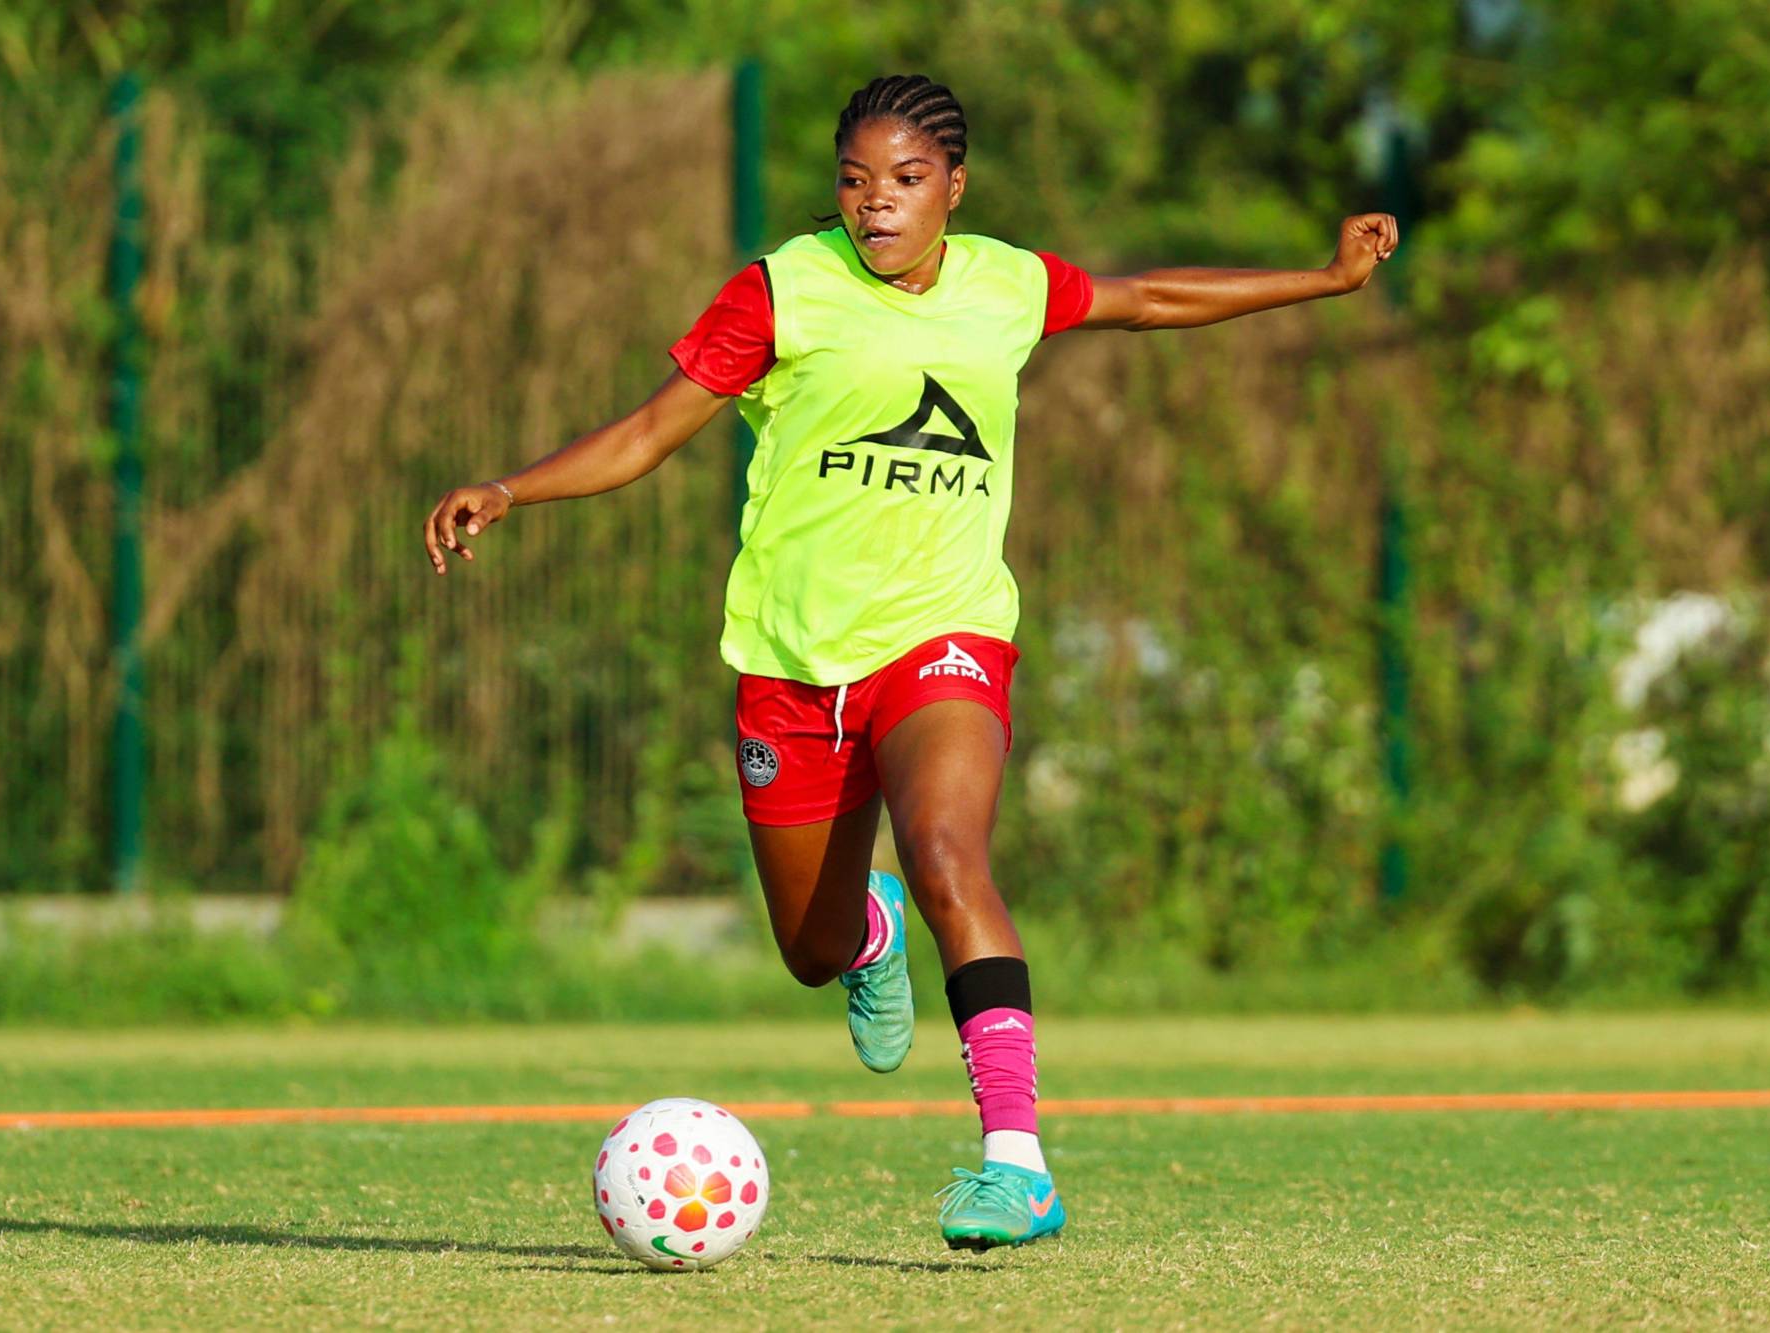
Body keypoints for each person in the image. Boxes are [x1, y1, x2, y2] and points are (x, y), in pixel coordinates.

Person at [424, 73, 1398, 1251]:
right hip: (791, 668)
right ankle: (869, 935)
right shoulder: (781, 289)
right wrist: (509, 487)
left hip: (945, 637)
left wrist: (1327, 276)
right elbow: (642, 432)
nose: (875, 204)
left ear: (953, 188)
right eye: (854, 181)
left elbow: (1149, 297)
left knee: (948, 852)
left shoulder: (1005, 283)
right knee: (810, 949)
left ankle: (1015, 1162)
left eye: (904, 180)